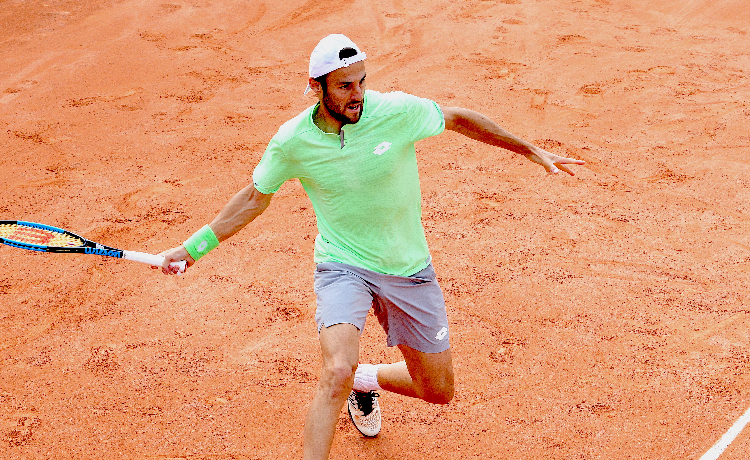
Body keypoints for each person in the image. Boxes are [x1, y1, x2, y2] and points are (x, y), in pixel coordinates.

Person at [157, 34, 584, 460]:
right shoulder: (292, 142)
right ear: (317, 86)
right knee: (335, 369)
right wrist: (193, 248)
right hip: (343, 265)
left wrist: (530, 150)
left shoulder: (393, 111)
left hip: (408, 268)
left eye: (361, 81)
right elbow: (255, 196)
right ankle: (346, 381)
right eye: (344, 86)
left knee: (436, 390)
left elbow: (455, 118)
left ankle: (365, 380)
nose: (357, 94)